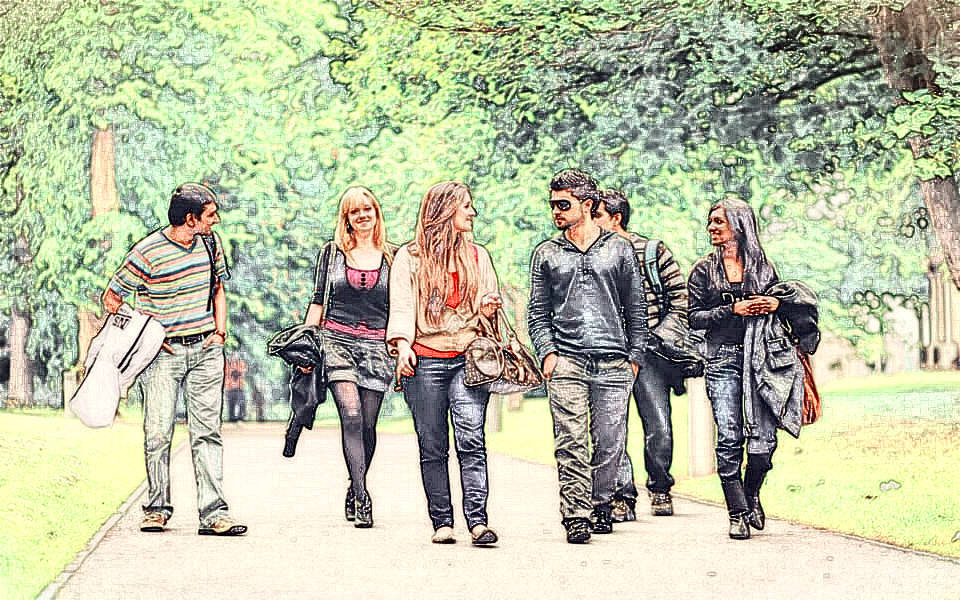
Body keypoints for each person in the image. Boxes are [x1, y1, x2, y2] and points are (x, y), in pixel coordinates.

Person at [102, 182, 246, 536]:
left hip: (206, 350)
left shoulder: (210, 243)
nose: (216, 221)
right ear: (190, 218)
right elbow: (112, 299)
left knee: (207, 433)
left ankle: (214, 514)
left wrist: (220, 333)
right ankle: (156, 509)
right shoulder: (147, 251)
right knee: (157, 433)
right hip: (161, 358)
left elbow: (218, 289)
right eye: (210, 215)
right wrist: (147, 335)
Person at [527, 170, 647, 544]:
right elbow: (537, 311)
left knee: (611, 441)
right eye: (552, 205)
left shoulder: (620, 249)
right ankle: (576, 515)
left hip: (614, 361)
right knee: (571, 441)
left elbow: (636, 306)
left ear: (588, 204)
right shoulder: (546, 253)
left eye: (564, 205)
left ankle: (600, 504)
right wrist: (547, 352)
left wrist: (635, 356)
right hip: (566, 360)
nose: (556, 212)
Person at [387, 181, 502, 546]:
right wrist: (402, 346)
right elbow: (401, 306)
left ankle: (478, 522)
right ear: (445, 210)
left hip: (468, 359)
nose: (473, 212)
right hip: (426, 359)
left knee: (471, 438)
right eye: (466, 206)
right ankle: (442, 522)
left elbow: (487, 312)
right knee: (433, 443)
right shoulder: (409, 258)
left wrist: (487, 310)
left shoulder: (478, 256)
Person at [687, 197, 783, 540]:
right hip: (721, 358)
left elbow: (784, 306)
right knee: (729, 436)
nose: (712, 227)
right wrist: (732, 310)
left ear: (740, 225)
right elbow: (693, 317)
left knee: (764, 442)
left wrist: (774, 302)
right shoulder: (703, 270)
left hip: (761, 358)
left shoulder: (764, 267)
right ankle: (737, 512)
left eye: (719, 221)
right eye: (710, 221)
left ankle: (751, 491)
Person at [301, 186, 396, 529]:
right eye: (355, 211)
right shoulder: (332, 254)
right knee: (351, 416)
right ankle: (362, 497)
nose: (363, 215)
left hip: (377, 347)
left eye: (368, 209)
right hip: (337, 341)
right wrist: (307, 344)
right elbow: (318, 301)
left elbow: (401, 306)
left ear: (376, 213)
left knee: (368, 425)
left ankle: (354, 484)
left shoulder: (394, 256)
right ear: (346, 219)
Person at [595, 188, 688, 521]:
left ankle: (660, 486)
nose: (590, 220)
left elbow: (680, 299)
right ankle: (622, 496)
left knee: (658, 425)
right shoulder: (591, 254)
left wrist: (656, 337)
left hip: (650, 354)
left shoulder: (652, 251)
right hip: (610, 354)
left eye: (597, 215)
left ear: (616, 218)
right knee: (611, 427)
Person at [224, 354, 248, 422]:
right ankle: (231, 418)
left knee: (242, 402)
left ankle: (241, 417)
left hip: (239, 388)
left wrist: (236, 370)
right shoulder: (226, 363)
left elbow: (243, 371)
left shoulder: (241, 362)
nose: (233, 356)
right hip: (229, 388)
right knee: (231, 405)